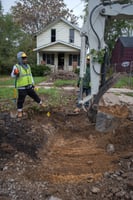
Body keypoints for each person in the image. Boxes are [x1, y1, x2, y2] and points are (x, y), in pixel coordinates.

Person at [11, 51, 45, 118]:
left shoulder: (28, 66)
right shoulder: (16, 66)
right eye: (23, 58)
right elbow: (12, 75)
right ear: (20, 59)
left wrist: (33, 83)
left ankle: (41, 104)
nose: (25, 59)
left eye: (26, 58)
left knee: (35, 95)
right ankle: (19, 111)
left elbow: (30, 75)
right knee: (21, 100)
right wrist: (15, 73)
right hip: (22, 88)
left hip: (29, 86)